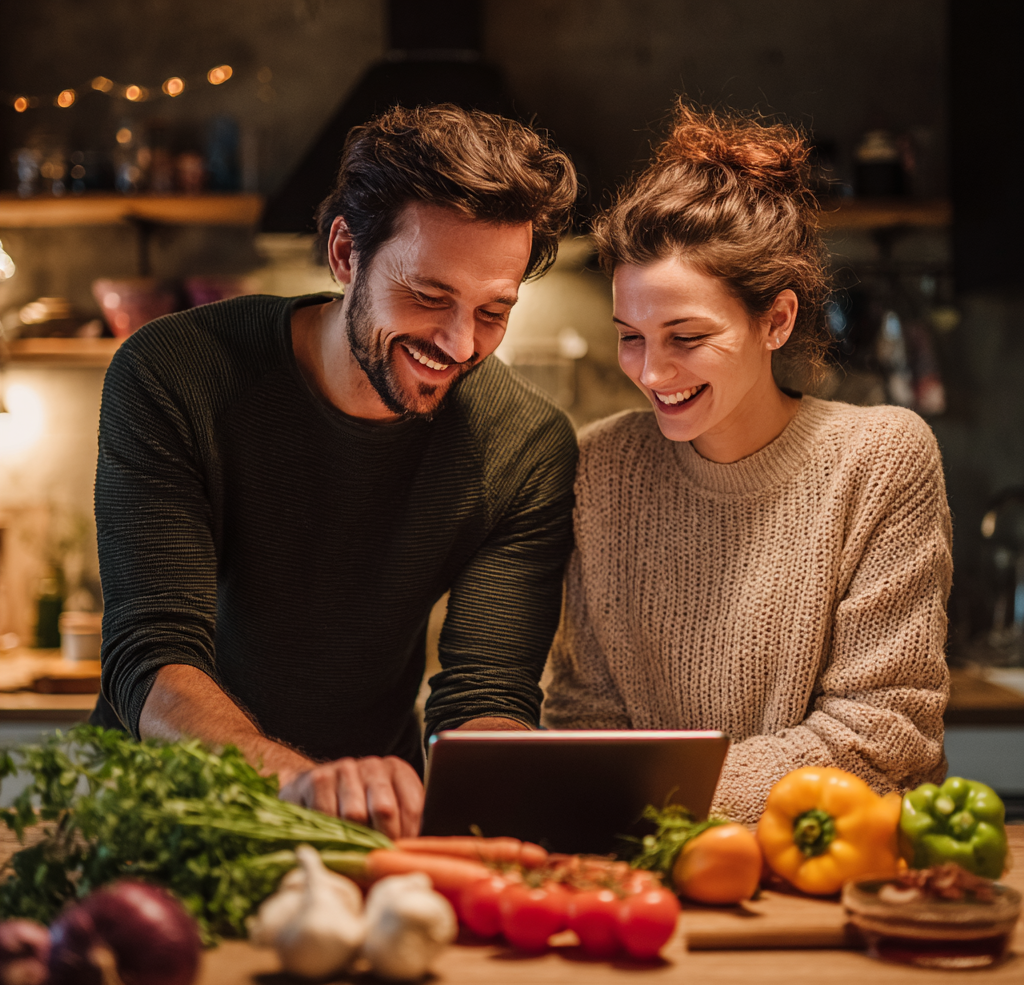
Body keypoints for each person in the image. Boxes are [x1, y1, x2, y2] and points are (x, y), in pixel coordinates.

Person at [94, 105, 579, 837]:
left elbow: (485, 695)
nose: (458, 342)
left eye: (493, 311)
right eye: (428, 295)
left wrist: (499, 786)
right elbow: (153, 657)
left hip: (370, 830)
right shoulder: (173, 374)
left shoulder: (525, 445)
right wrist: (303, 784)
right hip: (162, 818)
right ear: (347, 253)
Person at [544, 104, 953, 824]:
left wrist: (652, 791)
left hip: (830, 872)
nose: (651, 370)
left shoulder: (881, 458)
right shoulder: (603, 466)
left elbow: (883, 738)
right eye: (630, 336)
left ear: (778, 320)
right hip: (655, 872)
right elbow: (583, 717)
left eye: (686, 336)